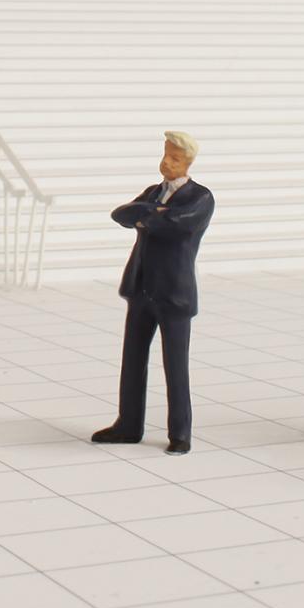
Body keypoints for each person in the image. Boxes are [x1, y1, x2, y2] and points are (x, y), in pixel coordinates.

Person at [91, 131, 214, 455]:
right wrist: (151, 212)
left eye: (174, 157)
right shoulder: (153, 193)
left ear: (187, 163)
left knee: (175, 365)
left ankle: (180, 432)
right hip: (141, 288)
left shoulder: (200, 197)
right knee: (132, 360)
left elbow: (178, 225)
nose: (166, 162)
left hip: (174, 293)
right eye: (165, 154)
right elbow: (121, 214)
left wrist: (147, 217)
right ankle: (128, 424)